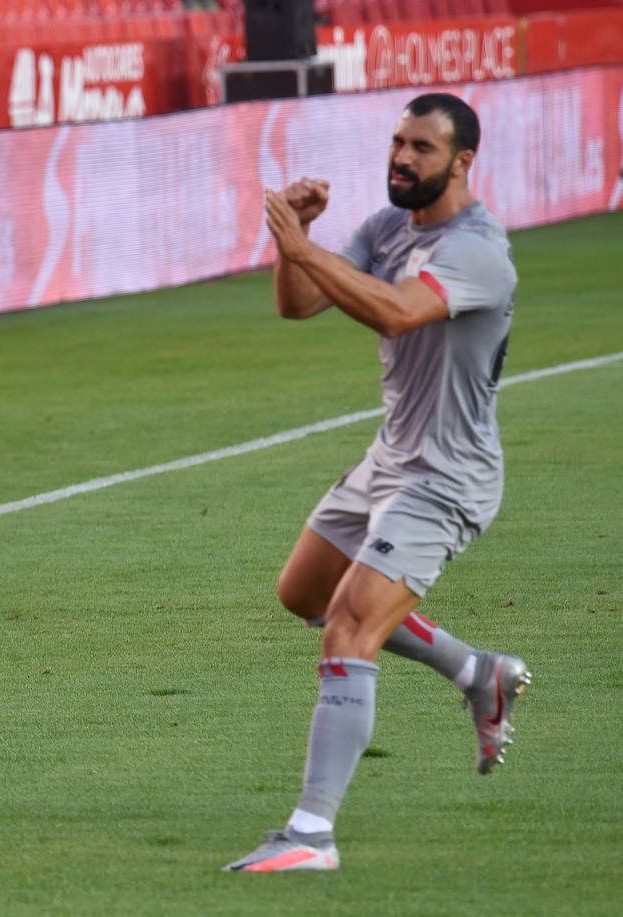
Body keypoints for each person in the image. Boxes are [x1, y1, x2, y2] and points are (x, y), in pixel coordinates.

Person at [225, 94, 530, 872]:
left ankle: (311, 834)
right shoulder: (386, 227)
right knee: (304, 593)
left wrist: (303, 244)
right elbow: (299, 305)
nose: (401, 157)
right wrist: (295, 244)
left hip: (447, 476)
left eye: (422, 147)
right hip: (389, 460)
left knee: (349, 625)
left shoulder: (478, 250)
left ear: (461, 162)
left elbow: (396, 312)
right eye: (398, 141)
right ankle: (477, 670)